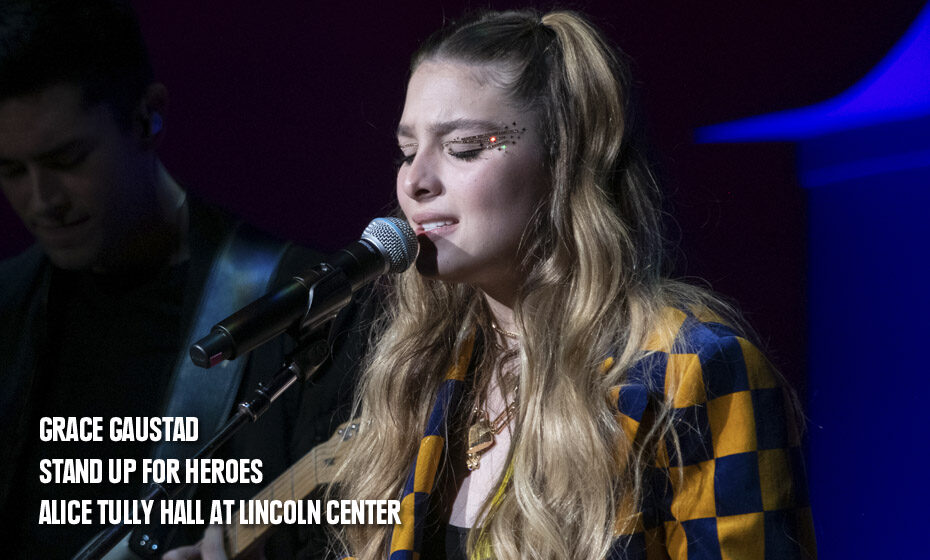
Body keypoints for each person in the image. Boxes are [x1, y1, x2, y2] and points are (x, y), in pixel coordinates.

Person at [168, 8, 815, 560]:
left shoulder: (691, 370)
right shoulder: (423, 373)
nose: (415, 181)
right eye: (406, 151)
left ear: (564, 160)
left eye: (466, 147)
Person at [0, 1, 362, 557]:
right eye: (10, 170)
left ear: (148, 117)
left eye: (67, 160)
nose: (41, 200)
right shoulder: (9, 305)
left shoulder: (302, 305)